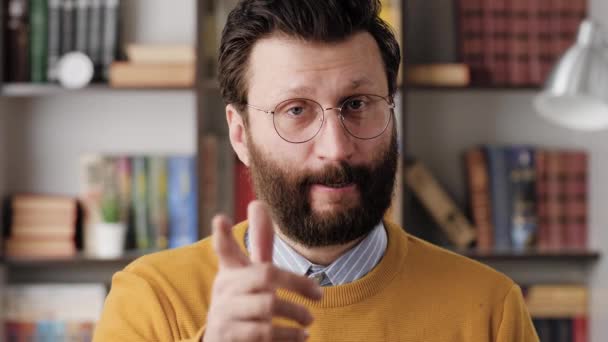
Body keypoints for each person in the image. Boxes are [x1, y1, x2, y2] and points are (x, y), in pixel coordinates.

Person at [93, 0, 539, 341]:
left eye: (357, 104)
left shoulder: (490, 311)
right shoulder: (152, 300)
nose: (336, 148)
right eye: (296, 110)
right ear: (240, 134)